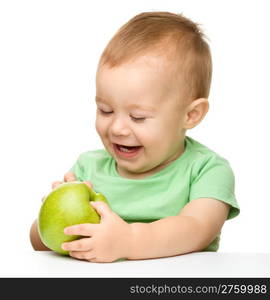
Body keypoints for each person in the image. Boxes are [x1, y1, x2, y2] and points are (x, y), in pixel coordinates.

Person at [30, 11, 240, 262]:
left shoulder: (207, 170)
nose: (117, 128)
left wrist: (128, 241)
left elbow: (197, 229)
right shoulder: (88, 169)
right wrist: (53, 212)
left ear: (191, 114)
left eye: (138, 117)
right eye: (105, 110)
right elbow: (39, 244)